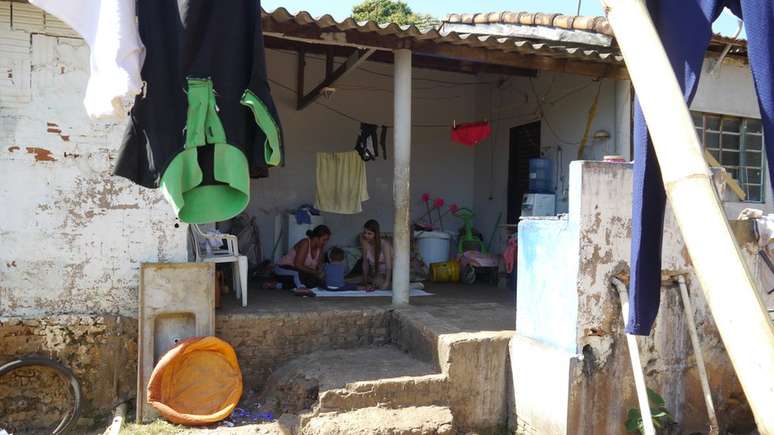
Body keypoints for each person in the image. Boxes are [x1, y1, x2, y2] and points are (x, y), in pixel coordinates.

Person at [275, 225, 330, 293]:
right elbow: (298, 265)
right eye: (324, 240)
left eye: (326, 240)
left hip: (301, 273)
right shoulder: (305, 243)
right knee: (297, 274)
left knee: (312, 282)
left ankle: (277, 285)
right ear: (316, 238)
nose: (325, 243)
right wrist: (315, 272)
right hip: (283, 269)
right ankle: (301, 288)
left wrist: (320, 272)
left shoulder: (320, 248)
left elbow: (319, 265)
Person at [360, 219, 393, 290]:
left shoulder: (384, 244)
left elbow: (389, 266)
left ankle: (410, 286)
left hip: (390, 273)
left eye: (369, 233)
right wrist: (365, 282)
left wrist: (386, 283)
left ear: (376, 234)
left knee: (378, 282)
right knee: (358, 281)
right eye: (365, 232)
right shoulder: (365, 243)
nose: (366, 235)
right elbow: (365, 264)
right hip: (376, 273)